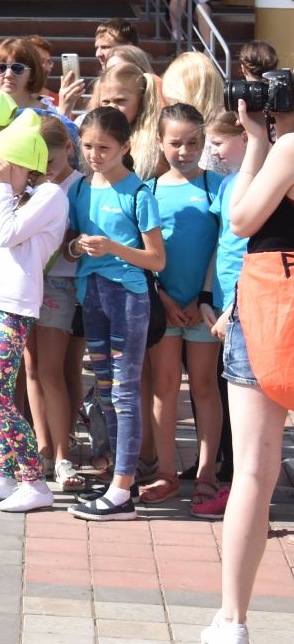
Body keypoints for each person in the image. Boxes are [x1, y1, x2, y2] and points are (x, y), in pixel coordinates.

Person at [207, 92, 294, 643]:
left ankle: (232, 620)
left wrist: (260, 141)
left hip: (271, 300)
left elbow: (239, 219)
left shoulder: (288, 148)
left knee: (254, 474)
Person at [0, 114, 71, 513]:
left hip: (15, 306)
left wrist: (6, 189)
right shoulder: (14, 194)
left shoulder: (50, 197)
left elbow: (10, 234)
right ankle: (6, 475)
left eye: (6, 164)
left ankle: (34, 482)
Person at [66, 107, 166, 520]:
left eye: (104, 147)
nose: (94, 154)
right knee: (105, 389)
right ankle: (115, 480)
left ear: (125, 146)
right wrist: (77, 248)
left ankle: (123, 488)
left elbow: (156, 259)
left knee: (125, 393)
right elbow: (70, 242)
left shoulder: (140, 193)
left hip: (129, 296)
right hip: (92, 294)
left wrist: (112, 247)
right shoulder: (80, 188)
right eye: (87, 146)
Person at [143, 103, 223, 509]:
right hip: (164, 305)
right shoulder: (151, 190)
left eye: (194, 142)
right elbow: (146, 253)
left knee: (206, 387)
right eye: (176, 143)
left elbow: (222, 249)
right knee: (164, 388)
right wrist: (165, 298)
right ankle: (165, 471)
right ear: (160, 142)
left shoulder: (216, 186)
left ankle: (207, 470)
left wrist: (199, 298)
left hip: (204, 307)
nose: (185, 150)